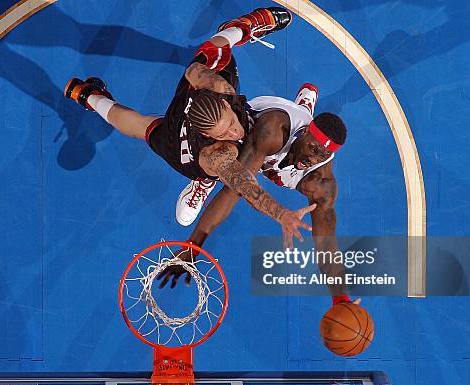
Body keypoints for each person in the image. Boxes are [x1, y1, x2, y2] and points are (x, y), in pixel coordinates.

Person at [64, 7, 316, 244]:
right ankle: (89, 96)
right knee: (141, 127)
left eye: (230, 123)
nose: (235, 131)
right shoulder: (219, 153)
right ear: (209, 135)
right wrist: (281, 214)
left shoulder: (218, 88)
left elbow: (195, 67)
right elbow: (244, 186)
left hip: (191, 101)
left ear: (226, 104)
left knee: (213, 51)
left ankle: (244, 26)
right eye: (226, 133)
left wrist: (213, 57)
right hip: (183, 150)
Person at [161, 84, 359, 306]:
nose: (314, 159)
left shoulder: (321, 182)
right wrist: (193, 247)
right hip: (248, 130)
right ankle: (207, 179)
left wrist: (340, 297)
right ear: (303, 133)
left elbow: (326, 243)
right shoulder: (272, 130)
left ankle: (304, 109)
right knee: (226, 165)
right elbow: (235, 190)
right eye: (313, 149)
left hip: (293, 141)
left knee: (301, 153)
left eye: (323, 155)